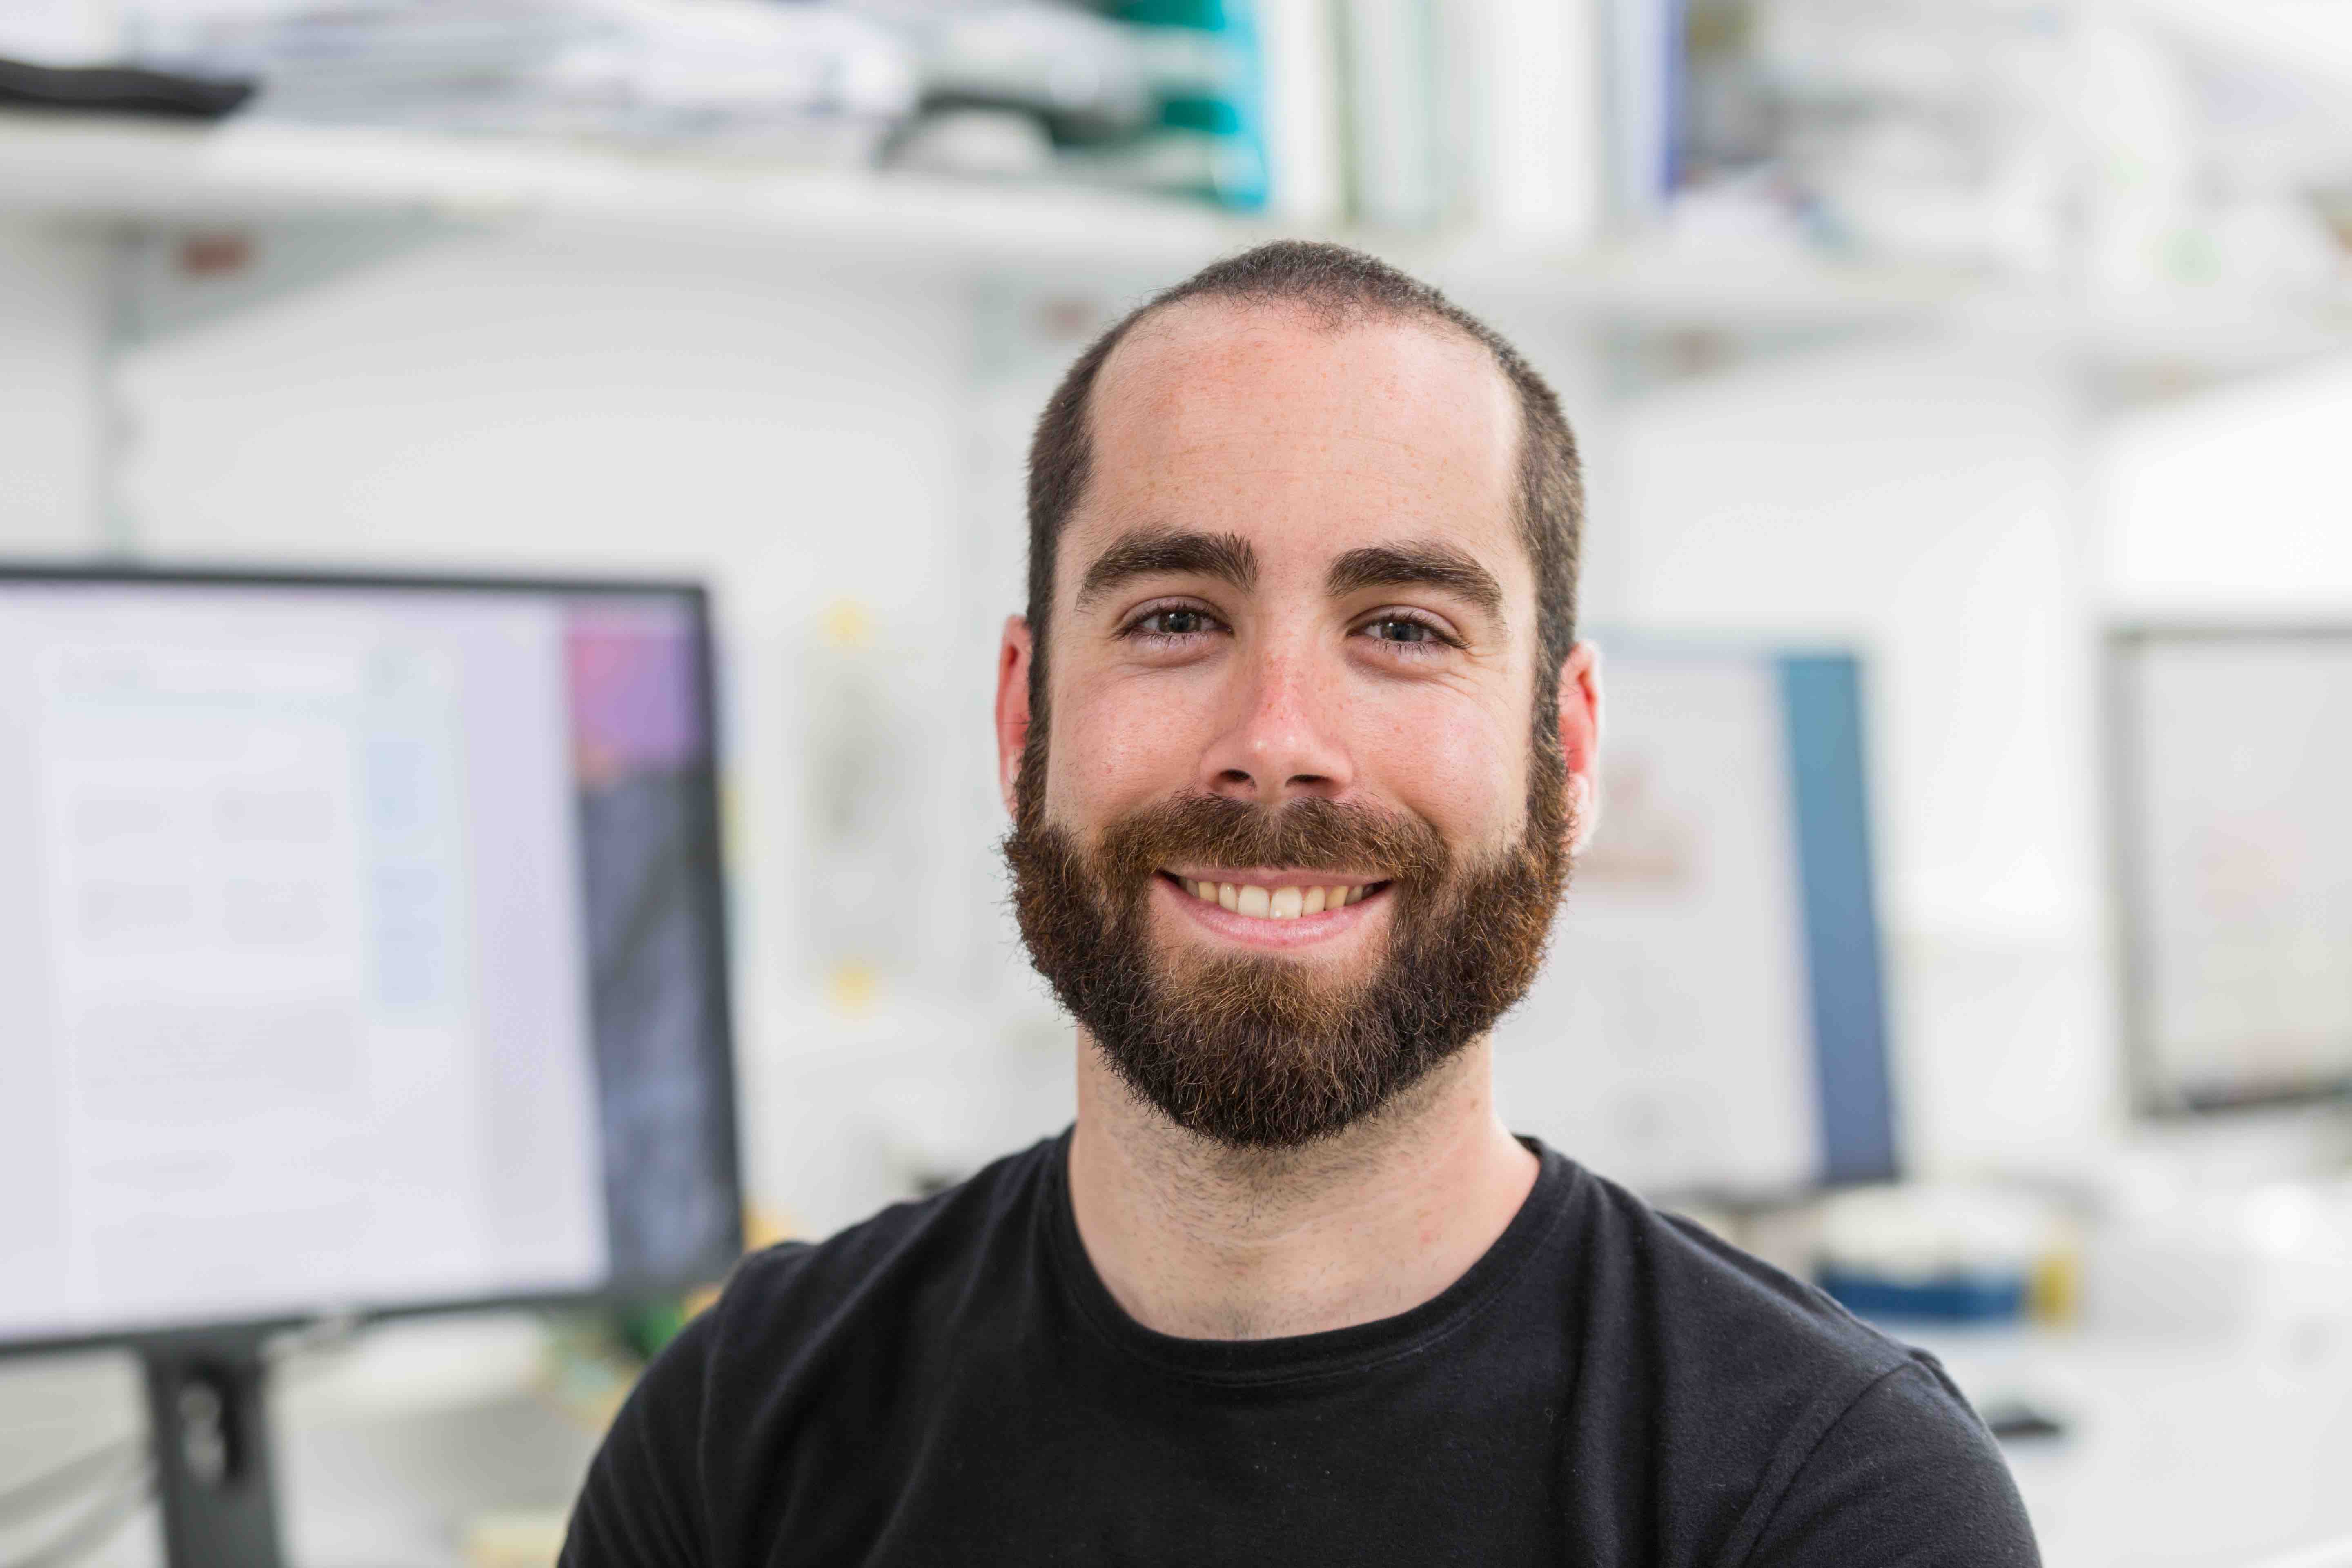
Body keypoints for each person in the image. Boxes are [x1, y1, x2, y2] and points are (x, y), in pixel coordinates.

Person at [561, 241, 2040, 1566]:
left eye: (1402, 628)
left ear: (1570, 751)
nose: (1277, 738)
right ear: (1022, 719)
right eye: (1174, 618)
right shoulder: (739, 1431)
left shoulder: (1832, 1504)